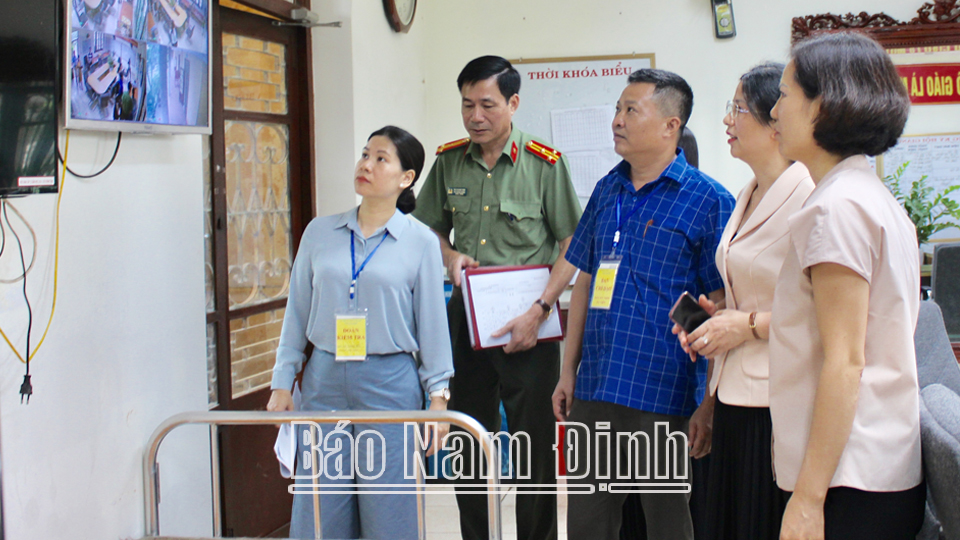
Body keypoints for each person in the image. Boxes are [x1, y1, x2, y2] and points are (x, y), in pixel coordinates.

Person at [553, 68, 735, 540]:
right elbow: (587, 281)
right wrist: (568, 371)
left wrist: (709, 402)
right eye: (617, 109)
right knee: (588, 523)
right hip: (595, 384)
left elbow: (720, 306)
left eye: (631, 110)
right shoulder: (606, 190)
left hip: (665, 390)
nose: (617, 120)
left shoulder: (709, 200)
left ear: (671, 126)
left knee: (667, 523)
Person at [413, 55, 582, 540]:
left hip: (529, 325)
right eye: (467, 105)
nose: (475, 116)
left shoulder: (545, 165)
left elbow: (572, 245)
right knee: (468, 442)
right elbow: (427, 233)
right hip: (463, 321)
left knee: (532, 451)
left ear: (513, 103)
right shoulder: (448, 162)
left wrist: (542, 308)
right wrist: (449, 259)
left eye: (487, 104)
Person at [768, 32, 924, 540]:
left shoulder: (837, 209)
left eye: (787, 94)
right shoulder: (865, 194)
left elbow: (845, 360)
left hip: (849, 477)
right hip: (866, 467)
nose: (776, 110)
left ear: (825, 105)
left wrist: (809, 499)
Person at [267, 126, 455, 540]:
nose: (366, 164)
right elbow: (297, 313)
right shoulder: (319, 232)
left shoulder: (420, 241)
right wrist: (283, 380)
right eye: (365, 154)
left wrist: (438, 398)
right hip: (325, 379)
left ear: (406, 178)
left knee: (390, 507)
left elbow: (432, 327)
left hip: (390, 384)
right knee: (321, 506)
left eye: (381, 158)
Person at [673, 63, 814, 540]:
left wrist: (746, 324)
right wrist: (714, 319)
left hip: (778, 400)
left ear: (776, 119)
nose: (727, 121)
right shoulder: (746, 193)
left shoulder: (809, 197)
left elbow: (822, 314)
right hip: (733, 391)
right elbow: (744, 291)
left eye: (737, 109)